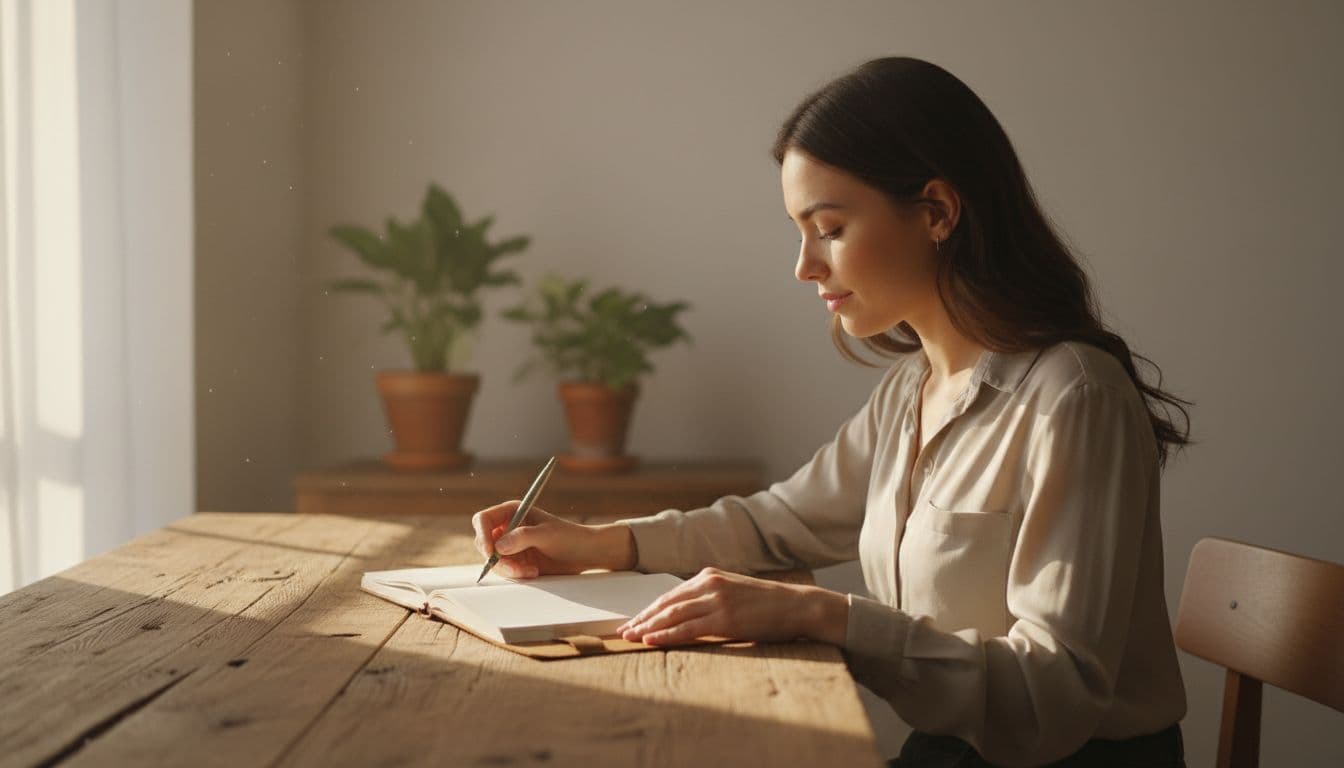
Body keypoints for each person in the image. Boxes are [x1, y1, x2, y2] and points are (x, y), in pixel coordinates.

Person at [471, 56, 1190, 768]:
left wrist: (824, 615)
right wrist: (600, 544)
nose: (804, 266)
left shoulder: (1074, 396)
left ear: (937, 212)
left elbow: (1053, 698)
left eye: (831, 228)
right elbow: (778, 524)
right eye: (800, 230)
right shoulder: (910, 391)